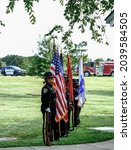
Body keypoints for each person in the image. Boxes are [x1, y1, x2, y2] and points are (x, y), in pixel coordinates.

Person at [41, 71, 57, 146]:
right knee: (48, 125)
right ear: (46, 79)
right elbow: (45, 99)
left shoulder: (51, 87)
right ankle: (47, 139)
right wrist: (47, 107)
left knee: (52, 124)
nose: (52, 80)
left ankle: (51, 139)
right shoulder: (46, 88)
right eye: (50, 78)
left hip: (52, 108)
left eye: (52, 78)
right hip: (48, 108)